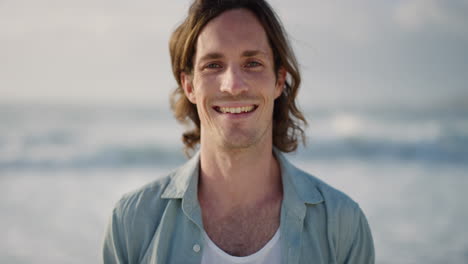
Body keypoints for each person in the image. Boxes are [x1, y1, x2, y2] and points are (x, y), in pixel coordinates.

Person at [102, 0, 375, 263]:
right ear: (189, 86)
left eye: (252, 63)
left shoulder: (342, 225)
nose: (233, 85)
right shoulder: (131, 223)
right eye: (213, 65)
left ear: (279, 80)